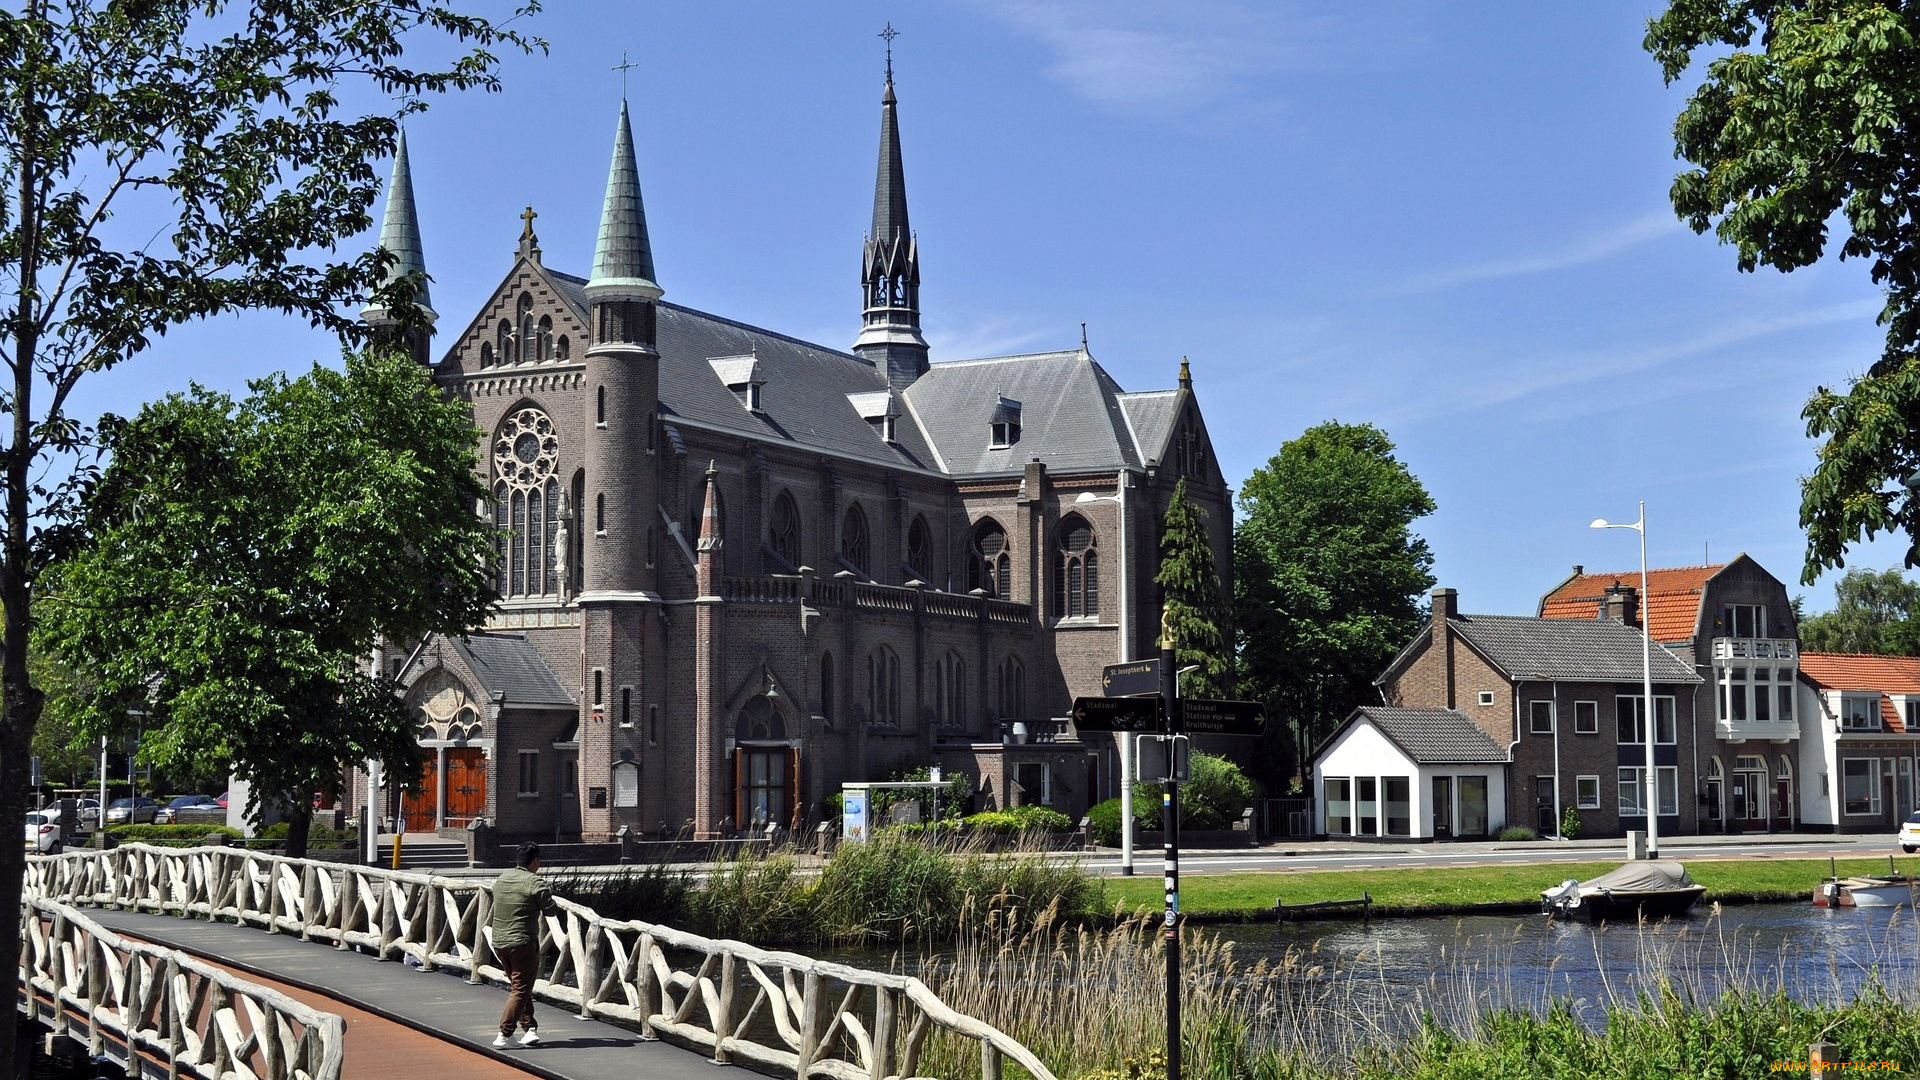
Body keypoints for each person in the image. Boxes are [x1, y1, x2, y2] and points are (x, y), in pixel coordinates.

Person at [490, 841, 557, 1047]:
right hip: (522, 943)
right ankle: (504, 1033)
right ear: (535, 861)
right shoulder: (534, 882)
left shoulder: (502, 879)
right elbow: (551, 910)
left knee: (521, 986)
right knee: (520, 989)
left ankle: (529, 1029)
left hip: (499, 941)